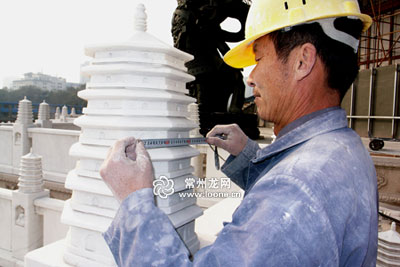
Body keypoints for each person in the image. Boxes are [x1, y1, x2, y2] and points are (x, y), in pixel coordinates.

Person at [99, 0, 378, 266]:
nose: (251, 77)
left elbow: (288, 200)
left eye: (258, 59)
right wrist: (248, 156)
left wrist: (134, 202)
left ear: (302, 61)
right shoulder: (343, 147)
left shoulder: (295, 191)